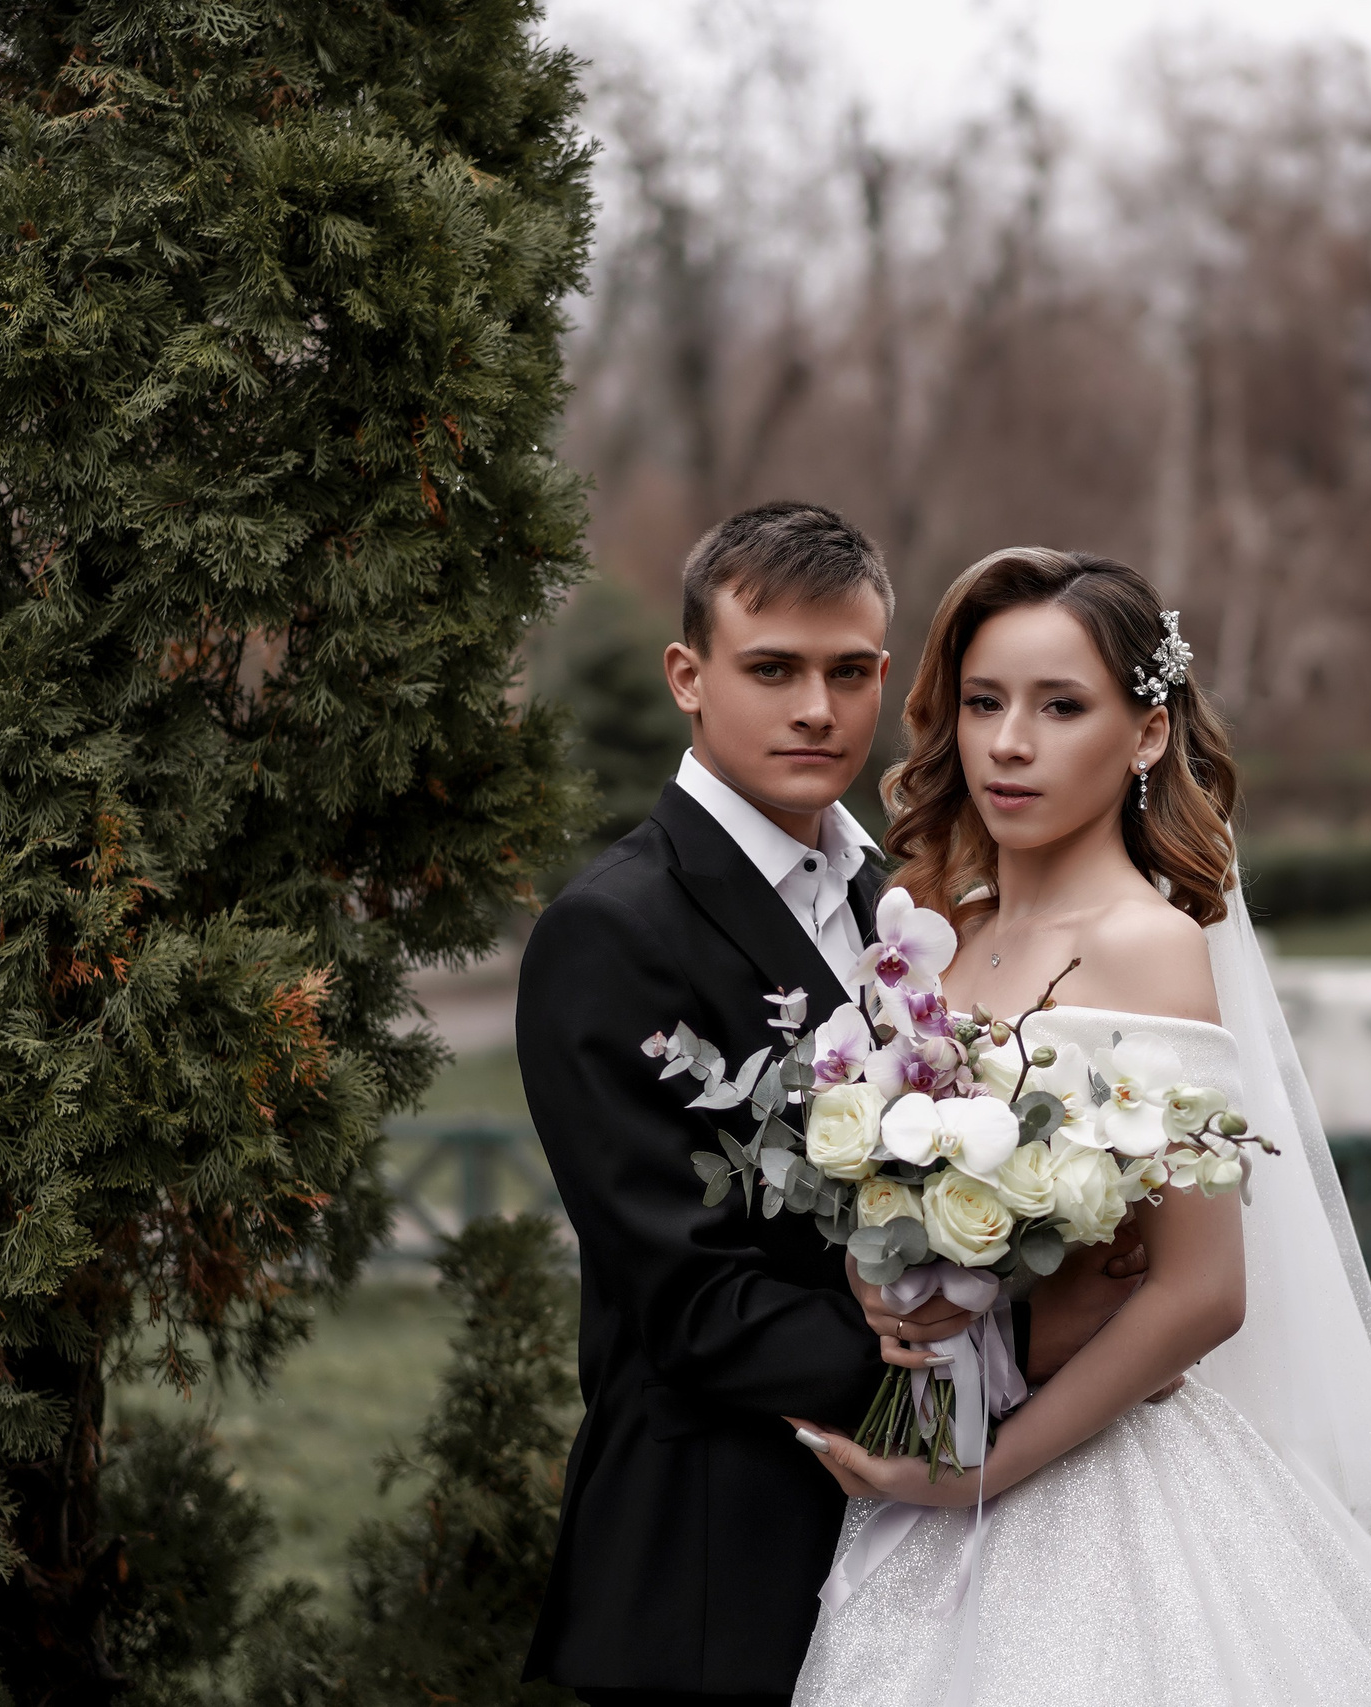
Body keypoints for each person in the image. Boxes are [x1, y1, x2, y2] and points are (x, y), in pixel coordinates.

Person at [787, 548, 1371, 1707]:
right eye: (983, 702)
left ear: (1146, 734)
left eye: (1060, 706)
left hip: (1088, 1482)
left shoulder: (1149, 943)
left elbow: (1200, 1290)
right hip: (929, 1454)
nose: (1008, 743)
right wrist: (887, 1274)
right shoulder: (936, 933)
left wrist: (981, 1472)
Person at [517, 506, 1148, 1707]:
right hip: (723, 1557)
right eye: (774, 670)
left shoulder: (908, 897)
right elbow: (693, 1300)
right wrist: (1009, 1368)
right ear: (688, 678)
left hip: (944, 1556)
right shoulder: (611, 932)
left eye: (850, 671)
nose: (817, 708)